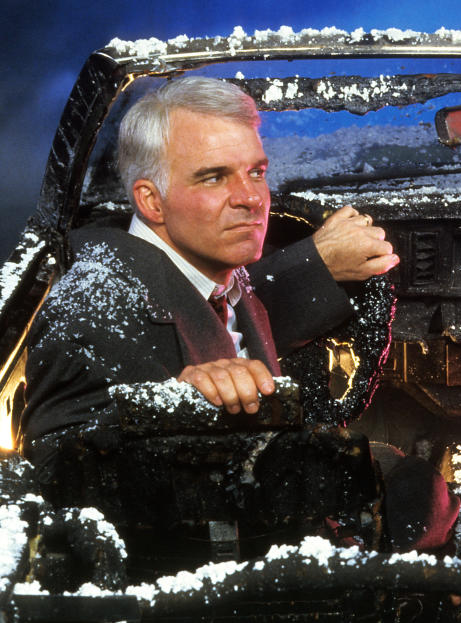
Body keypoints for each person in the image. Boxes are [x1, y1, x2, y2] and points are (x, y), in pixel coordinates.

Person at [18, 75, 398, 466]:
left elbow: (221, 320)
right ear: (151, 201)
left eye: (256, 172)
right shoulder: (92, 308)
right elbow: (53, 466)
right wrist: (173, 406)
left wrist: (320, 261)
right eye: (214, 177)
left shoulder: (212, 270)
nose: (251, 198)